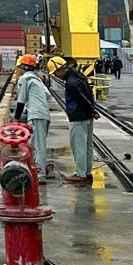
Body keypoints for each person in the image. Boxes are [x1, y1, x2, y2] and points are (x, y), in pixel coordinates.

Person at [47, 55, 99, 186]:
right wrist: (91, 111)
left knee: (78, 147)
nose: (56, 76)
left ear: (60, 69)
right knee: (87, 146)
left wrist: (91, 110)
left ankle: (80, 175)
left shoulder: (71, 84)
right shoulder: (79, 76)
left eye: (55, 73)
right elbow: (89, 94)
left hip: (77, 117)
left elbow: (81, 98)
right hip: (86, 117)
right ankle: (87, 173)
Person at [13, 54, 51, 183]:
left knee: (37, 146)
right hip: (44, 115)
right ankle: (39, 170)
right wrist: (36, 102)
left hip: (36, 115)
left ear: (23, 67)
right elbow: (47, 94)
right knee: (38, 144)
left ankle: (40, 175)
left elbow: (20, 101)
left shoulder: (24, 79)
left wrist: (16, 118)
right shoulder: (37, 79)